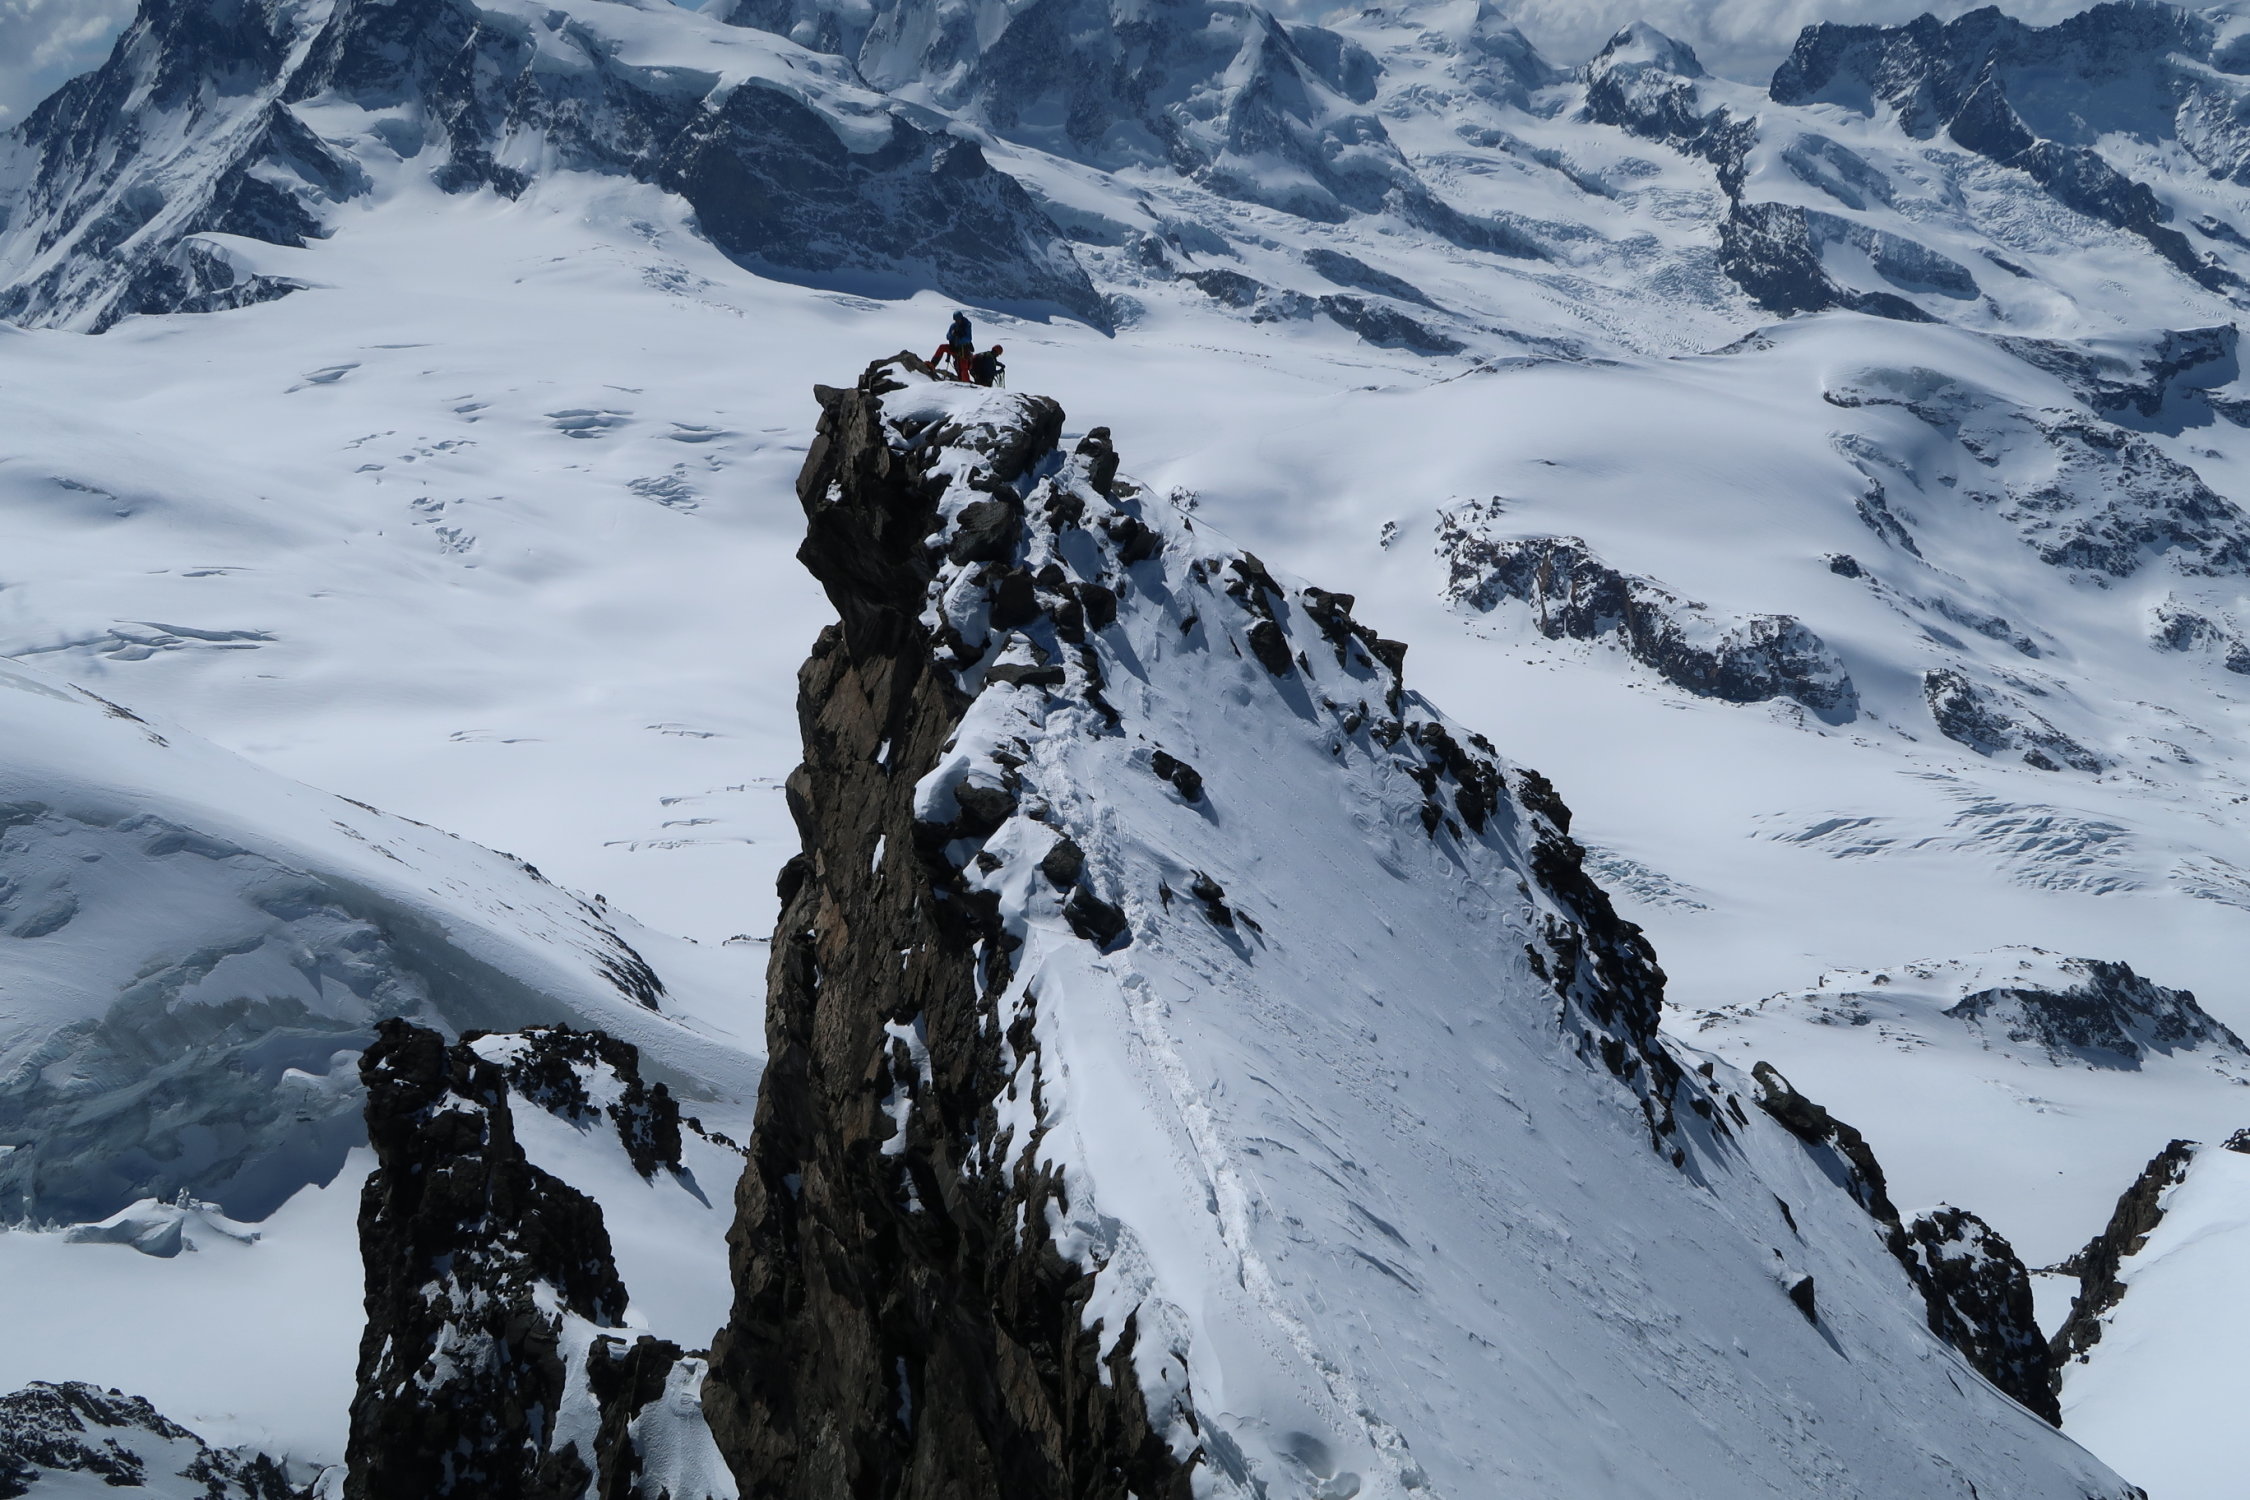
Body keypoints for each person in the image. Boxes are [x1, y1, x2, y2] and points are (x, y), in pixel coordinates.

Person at [930, 311, 974, 380]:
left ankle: (965, 381)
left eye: (958, 319)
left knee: (963, 366)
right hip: (954, 348)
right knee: (942, 347)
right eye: (955, 320)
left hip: (963, 350)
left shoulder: (967, 325)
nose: (957, 321)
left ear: (961, 318)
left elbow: (968, 339)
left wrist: (959, 337)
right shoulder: (953, 326)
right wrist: (952, 335)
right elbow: (947, 336)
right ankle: (932, 364)